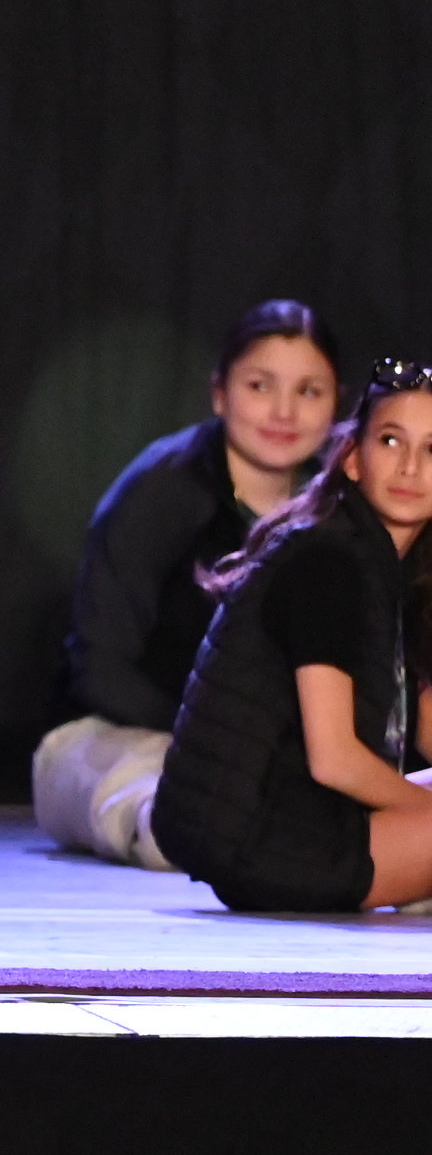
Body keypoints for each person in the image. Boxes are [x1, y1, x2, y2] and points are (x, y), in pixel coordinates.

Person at [35, 301, 342, 867]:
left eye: (309, 391)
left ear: (336, 403)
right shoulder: (162, 490)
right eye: (260, 386)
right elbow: (99, 665)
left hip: (265, 758)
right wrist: (215, 737)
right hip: (123, 739)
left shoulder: (340, 507)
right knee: (185, 826)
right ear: (220, 393)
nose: (284, 411)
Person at [153, 360, 432, 912]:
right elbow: (333, 758)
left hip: (298, 818)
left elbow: (424, 726)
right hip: (262, 838)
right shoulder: (327, 562)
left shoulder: (392, 571)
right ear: (352, 459)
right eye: (390, 440)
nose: (410, 467)